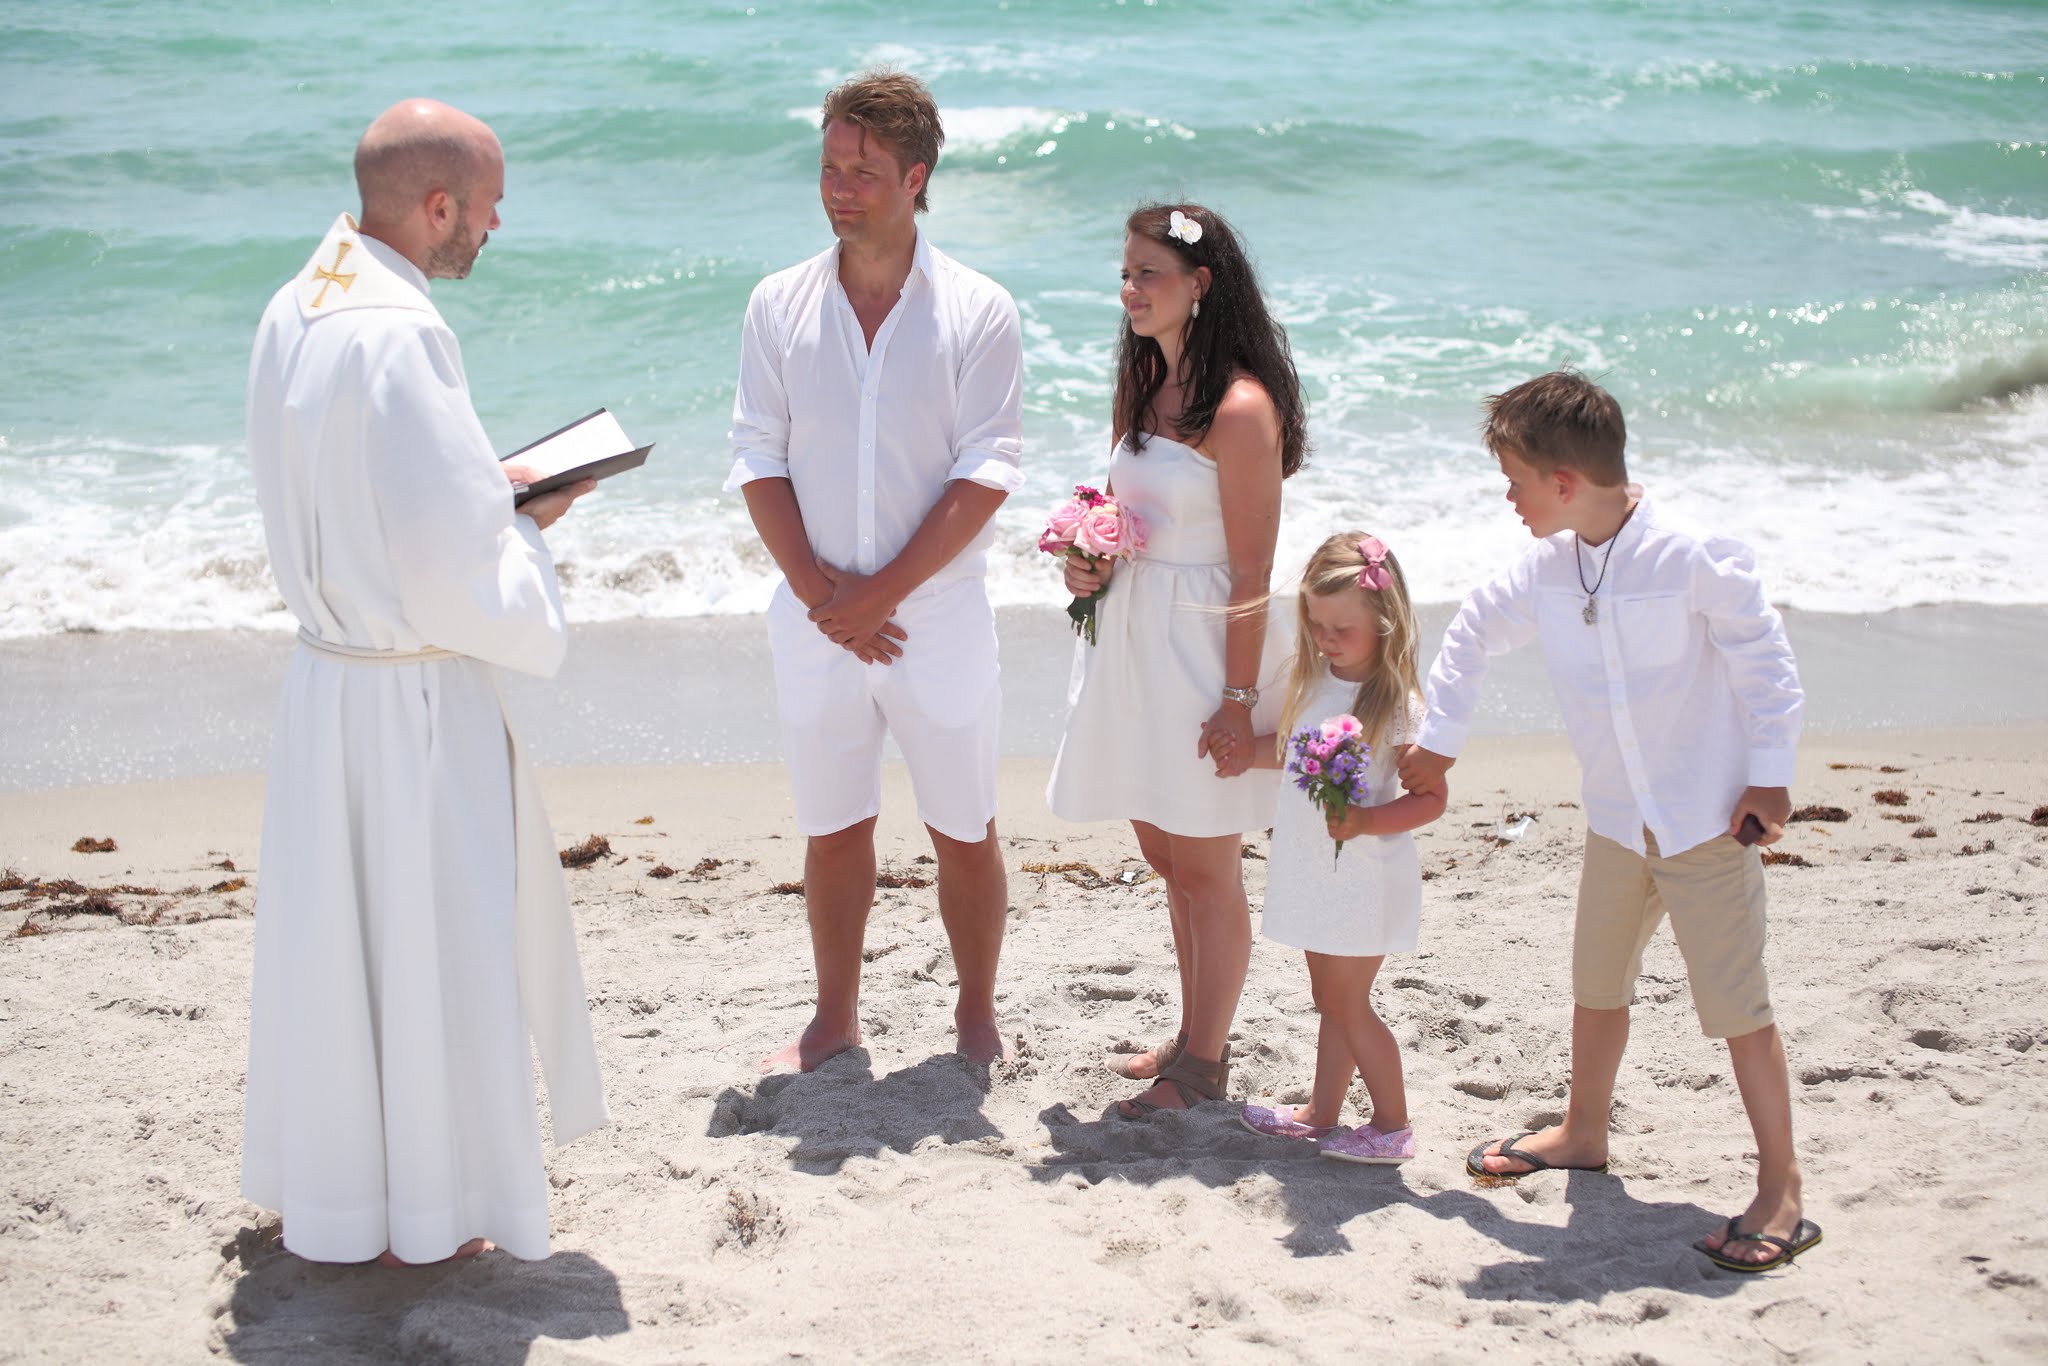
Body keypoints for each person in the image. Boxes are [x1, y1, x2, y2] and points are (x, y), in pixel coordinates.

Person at [241, 98, 608, 1267]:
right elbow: (453, 577)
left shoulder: (298, 301)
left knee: (338, 954)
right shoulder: (402, 332)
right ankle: (433, 1218)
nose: (495, 227)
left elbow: (354, 491)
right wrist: (530, 525)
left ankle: (345, 1196)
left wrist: (478, 487)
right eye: (487, 207)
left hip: (325, 684)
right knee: (437, 946)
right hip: (407, 701)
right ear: (437, 205)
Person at [1397, 370, 1820, 1271]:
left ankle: (1781, 1186)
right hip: (1617, 824)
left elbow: (1765, 662)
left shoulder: (1692, 555)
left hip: (1707, 821)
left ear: (1562, 481)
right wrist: (1439, 740)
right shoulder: (1549, 568)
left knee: (1737, 1008)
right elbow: (1471, 629)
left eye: (1513, 480)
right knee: (1597, 984)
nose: (1506, 498)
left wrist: (1771, 779)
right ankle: (1584, 1131)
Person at [726, 70, 1023, 1072]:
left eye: (860, 171)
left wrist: (878, 596)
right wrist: (823, 597)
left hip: (933, 617)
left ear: (914, 176)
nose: (838, 187)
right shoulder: (777, 304)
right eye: (827, 168)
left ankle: (974, 1010)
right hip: (812, 619)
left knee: (963, 827)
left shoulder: (978, 309)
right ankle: (833, 1014)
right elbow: (756, 456)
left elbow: (986, 474)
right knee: (833, 827)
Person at [1046, 203, 1306, 1118]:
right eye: (1125, 273)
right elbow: (1132, 518)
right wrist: (1090, 561)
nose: (1131, 290)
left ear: (1201, 285)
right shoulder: (1143, 384)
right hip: (1135, 645)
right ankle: (1194, 1034)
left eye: (1149, 273)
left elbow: (1253, 570)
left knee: (1206, 864)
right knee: (1163, 848)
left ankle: (1202, 1064)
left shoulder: (1240, 411)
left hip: (1204, 651)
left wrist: (1238, 701)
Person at [1237, 534, 1446, 1163]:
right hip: (1314, 866)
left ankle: (1392, 1124)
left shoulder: (1398, 706)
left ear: (1384, 624)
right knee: (1328, 998)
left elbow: (1432, 800)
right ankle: (1321, 1113)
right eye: (1317, 624)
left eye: (1342, 628)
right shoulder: (1315, 679)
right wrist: (1238, 754)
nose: (1326, 639)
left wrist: (1365, 820)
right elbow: (1291, 748)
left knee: (1348, 1002)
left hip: (1366, 872)